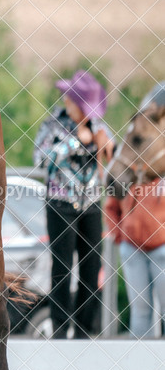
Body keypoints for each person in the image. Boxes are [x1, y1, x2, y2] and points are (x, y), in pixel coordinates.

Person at [34, 70, 114, 338]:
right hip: (60, 205)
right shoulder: (53, 125)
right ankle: (60, 330)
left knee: (92, 269)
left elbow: (114, 172)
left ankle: (83, 331)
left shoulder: (101, 127)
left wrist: (109, 148)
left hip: (91, 205)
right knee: (62, 269)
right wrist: (73, 142)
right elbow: (40, 160)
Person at [104, 85, 165, 338]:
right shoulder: (139, 168)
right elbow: (112, 204)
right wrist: (121, 237)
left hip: (161, 247)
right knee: (140, 313)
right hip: (133, 247)